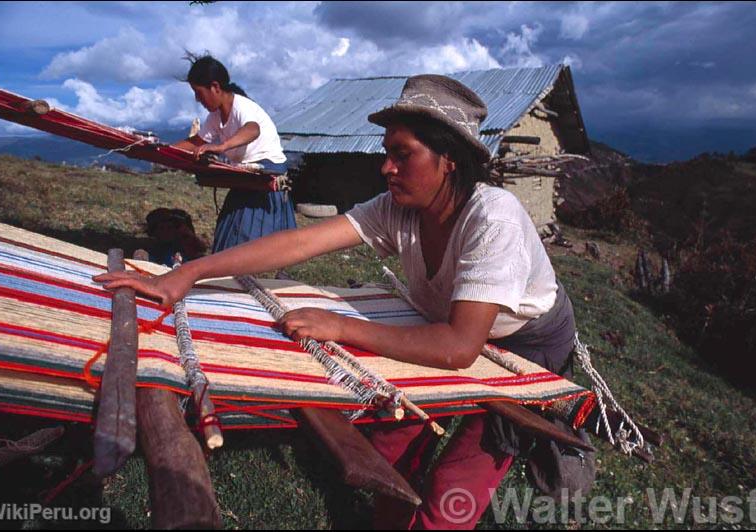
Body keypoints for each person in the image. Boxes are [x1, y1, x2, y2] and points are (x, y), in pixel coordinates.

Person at [94, 74, 576, 529]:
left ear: (448, 159)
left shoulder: (495, 219)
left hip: (524, 344)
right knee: (392, 442)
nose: (386, 167)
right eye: (387, 153)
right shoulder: (398, 208)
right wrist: (191, 272)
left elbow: (458, 349)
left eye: (401, 154)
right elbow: (301, 244)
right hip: (446, 323)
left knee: (456, 481)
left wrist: (341, 326)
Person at [172, 53, 295, 253]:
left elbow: (252, 129)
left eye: (199, 92)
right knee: (228, 232)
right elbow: (197, 141)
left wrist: (221, 147)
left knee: (249, 240)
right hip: (245, 177)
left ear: (215, 87)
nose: (197, 99)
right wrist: (161, 150)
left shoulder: (242, 106)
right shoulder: (215, 117)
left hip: (266, 176)